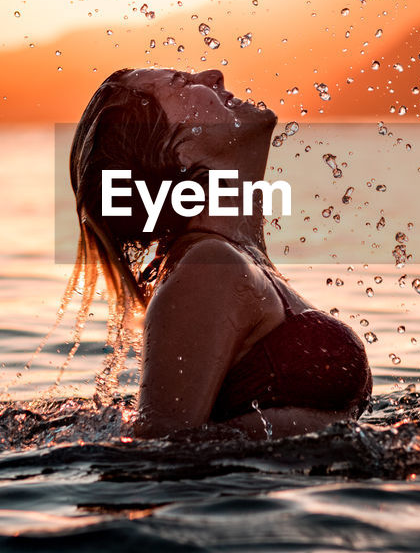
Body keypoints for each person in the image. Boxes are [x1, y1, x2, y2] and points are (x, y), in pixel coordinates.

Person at [68, 67, 372, 439]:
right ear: (179, 150)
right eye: (181, 83)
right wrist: (320, 431)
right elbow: (159, 448)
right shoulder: (208, 268)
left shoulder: (233, 259)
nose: (215, 75)